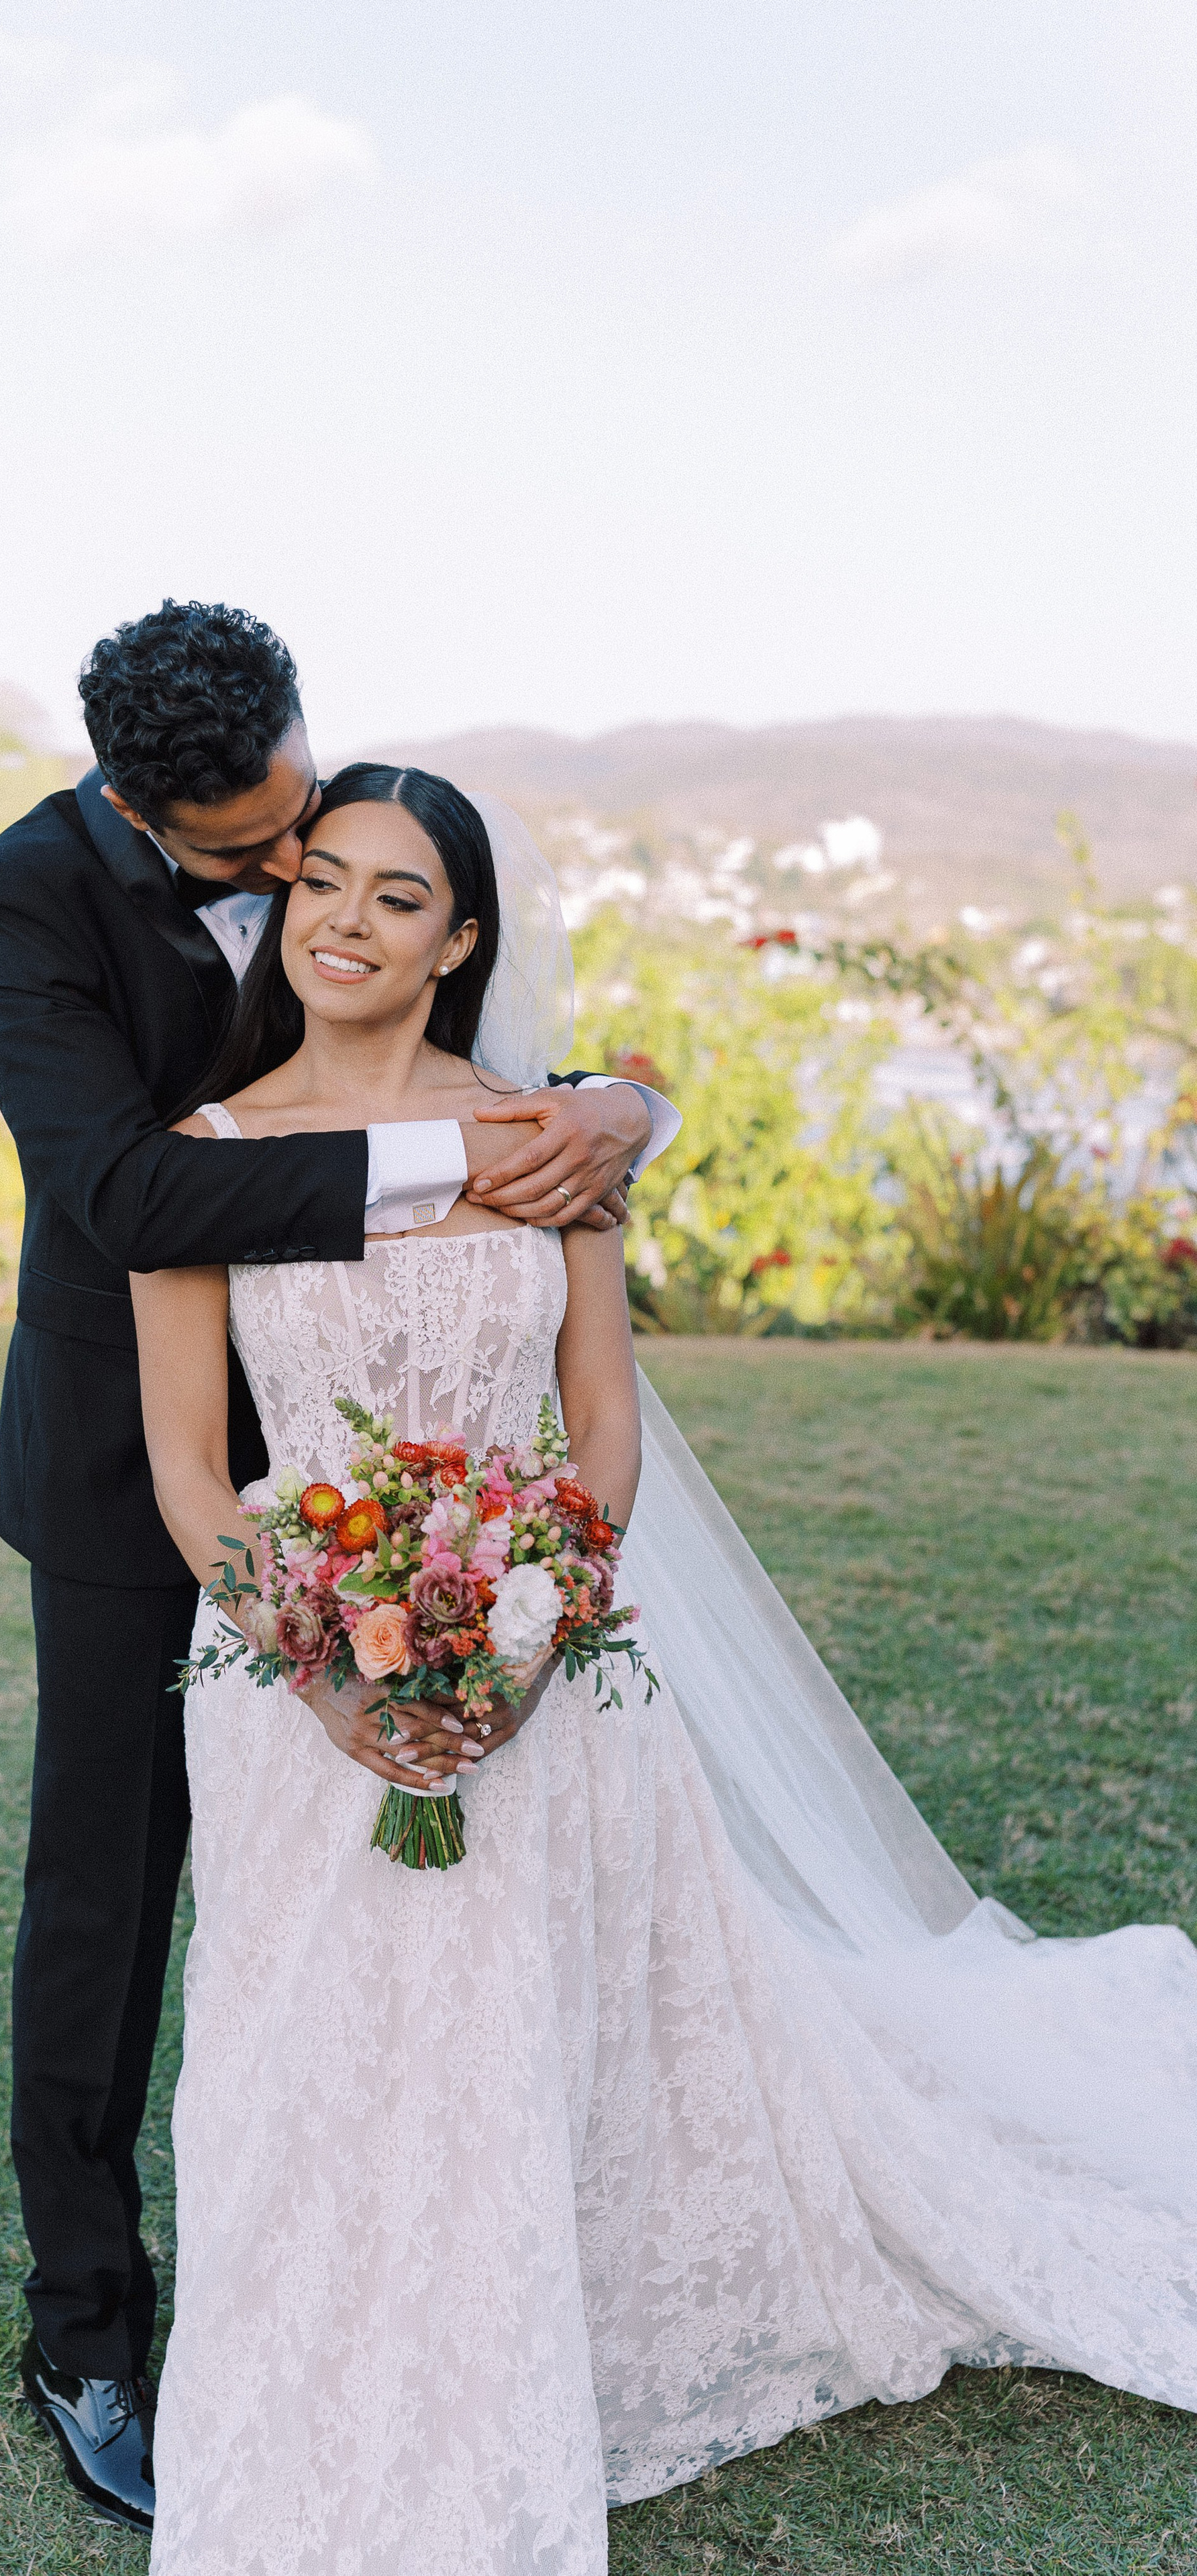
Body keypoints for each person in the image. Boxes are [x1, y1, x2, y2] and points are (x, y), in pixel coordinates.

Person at [130, 763, 1197, 2574]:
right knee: (302, 2047)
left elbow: (601, 1432)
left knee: (518, 2026)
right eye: (322, 881)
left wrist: (525, 1644)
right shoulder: (205, 1159)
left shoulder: (557, 1143)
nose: (345, 920)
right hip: (291, 1679)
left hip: (541, 1659)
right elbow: (187, 1467)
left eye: (399, 897)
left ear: (462, 939)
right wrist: (326, 1670)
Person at [0, 602, 677, 2532]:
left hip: (424, 1422)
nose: (297, 882)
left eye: (311, 824)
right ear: (135, 809)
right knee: (110, 1895)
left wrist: (608, 1110)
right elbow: (121, 1192)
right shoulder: (19, 902)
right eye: (259, 855)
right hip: (145, 1455)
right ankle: (91, 2329)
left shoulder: (327, 838)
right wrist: (457, 1168)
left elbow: (487, 1014)